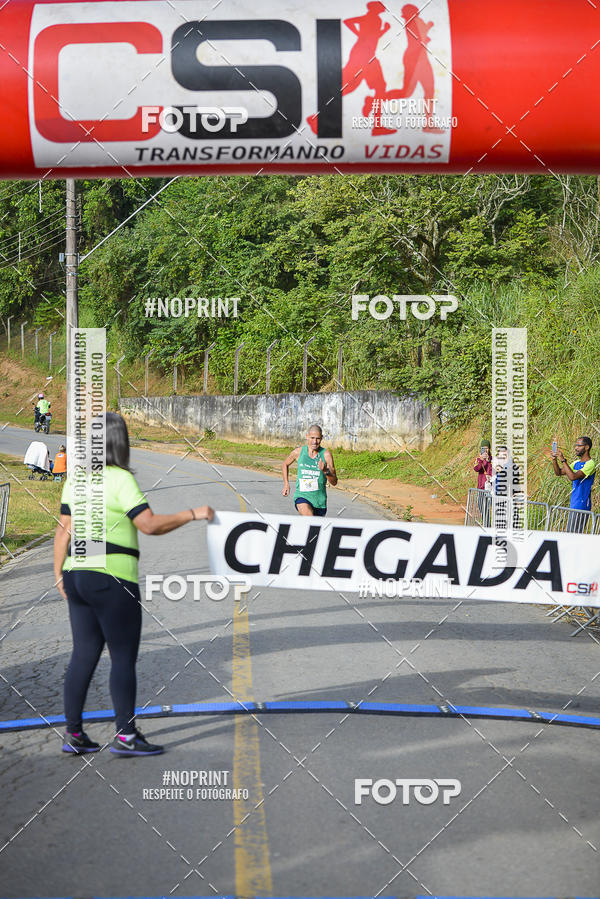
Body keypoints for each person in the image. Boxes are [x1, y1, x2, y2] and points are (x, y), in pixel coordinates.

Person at [54, 412, 214, 756]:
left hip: (76, 572)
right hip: (113, 576)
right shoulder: (120, 479)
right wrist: (193, 514)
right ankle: (126, 736)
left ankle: (74, 734)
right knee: (123, 657)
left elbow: (63, 529)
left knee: (83, 654)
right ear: (120, 442)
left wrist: (58, 574)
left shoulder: (76, 480)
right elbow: (149, 525)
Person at [282, 424, 337, 516]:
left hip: (319, 502)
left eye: (318, 438)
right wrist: (286, 484)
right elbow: (285, 464)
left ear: (322, 438)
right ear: (307, 437)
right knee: (308, 517)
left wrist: (325, 471)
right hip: (302, 497)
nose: (315, 442)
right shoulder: (298, 452)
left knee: (314, 528)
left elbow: (334, 482)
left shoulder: (326, 455)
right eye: (312, 438)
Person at [551, 436, 596, 532]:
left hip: (582, 505)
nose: (576, 448)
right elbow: (558, 472)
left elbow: (573, 477)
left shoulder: (590, 463)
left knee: (575, 534)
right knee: (570, 532)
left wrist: (563, 460)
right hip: (574, 504)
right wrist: (554, 460)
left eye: (579, 446)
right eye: (576, 445)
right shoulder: (576, 463)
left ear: (587, 447)